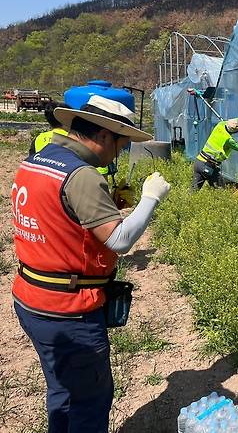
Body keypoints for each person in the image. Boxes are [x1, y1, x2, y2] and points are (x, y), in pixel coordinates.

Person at [11, 94, 171, 432]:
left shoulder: (38, 161)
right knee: (90, 402)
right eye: (121, 145)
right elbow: (120, 240)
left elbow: (57, 216)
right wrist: (150, 198)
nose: (119, 154)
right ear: (103, 135)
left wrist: (106, 204)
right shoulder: (81, 176)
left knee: (62, 391)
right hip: (69, 310)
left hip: (31, 300)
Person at [191, 115, 238, 191]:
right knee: (221, 191)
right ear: (235, 131)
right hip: (208, 166)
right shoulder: (228, 140)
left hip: (199, 162)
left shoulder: (221, 124)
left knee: (194, 191)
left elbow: (235, 120)